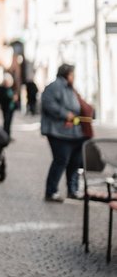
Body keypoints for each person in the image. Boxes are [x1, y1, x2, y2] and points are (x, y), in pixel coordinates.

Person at [40, 63, 86, 202]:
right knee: (61, 160)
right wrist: (65, 114)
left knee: (75, 161)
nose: (74, 77)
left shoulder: (70, 88)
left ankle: (73, 189)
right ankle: (51, 191)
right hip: (58, 132)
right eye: (73, 74)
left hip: (73, 132)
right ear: (67, 74)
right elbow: (48, 103)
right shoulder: (54, 86)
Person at [0, 71, 17, 139]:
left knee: (9, 122)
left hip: (11, 108)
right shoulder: (1, 88)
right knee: (6, 122)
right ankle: (5, 136)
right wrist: (11, 98)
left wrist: (15, 98)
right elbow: (0, 97)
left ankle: (8, 135)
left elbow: (15, 95)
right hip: (5, 107)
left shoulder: (12, 88)